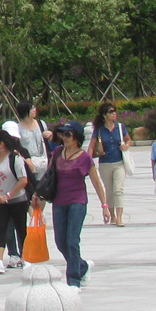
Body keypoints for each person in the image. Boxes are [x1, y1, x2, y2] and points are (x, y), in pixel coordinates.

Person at [50, 120, 108, 288]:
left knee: (72, 241)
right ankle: (82, 266)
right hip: (59, 202)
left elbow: (97, 183)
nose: (65, 137)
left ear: (77, 137)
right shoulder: (57, 154)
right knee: (60, 242)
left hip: (77, 202)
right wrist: (38, 197)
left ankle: (73, 280)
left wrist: (104, 206)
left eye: (68, 134)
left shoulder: (85, 158)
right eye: (63, 134)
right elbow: (49, 177)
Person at [0, 128, 30, 274]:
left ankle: (26, 258)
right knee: (0, 230)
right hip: (0, 201)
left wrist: (8, 195)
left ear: (1, 144)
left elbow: (23, 181)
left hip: (17, 200)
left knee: (21, 229)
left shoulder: (15, 159)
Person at [89, 101, 128, 226]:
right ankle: (113, 216)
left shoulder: (120, 127)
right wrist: (88, 162)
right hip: (105, 163)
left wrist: (126, 145)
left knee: (118, 190)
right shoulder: (99, 130)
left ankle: (120, 217)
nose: (114, 114)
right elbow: (91, 147)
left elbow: (128, 139)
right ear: (104, 115)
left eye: (114, 111)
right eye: (111, 112)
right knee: (109, 191)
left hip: (119, 162)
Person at [14, 100, 50, 197]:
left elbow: (48, 141)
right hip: (28, 162)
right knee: (31, 189)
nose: (34, 110)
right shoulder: (18, 128)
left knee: (43, 190)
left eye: (34, 108)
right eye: (31, 108)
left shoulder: (41, 124)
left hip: (43, 161)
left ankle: (39, 211)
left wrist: (50, 135)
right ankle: (34, 211)